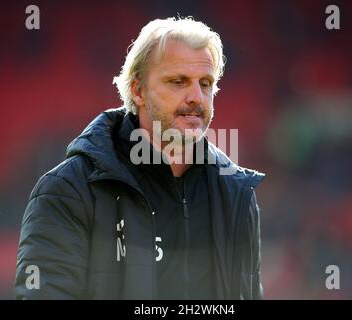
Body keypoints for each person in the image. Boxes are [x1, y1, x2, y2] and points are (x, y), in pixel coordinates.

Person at [14, 16, 265, 299]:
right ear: (138, 90)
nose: (197, 97)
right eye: (178, 81)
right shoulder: (68, 191)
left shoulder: (236, 195)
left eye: (205, 83)